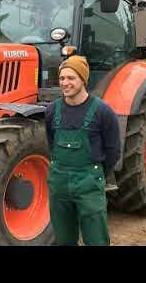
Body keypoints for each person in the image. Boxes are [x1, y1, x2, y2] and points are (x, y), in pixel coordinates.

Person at [45, 55, 120, 246]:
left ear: (83, 80)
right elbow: (51, 141)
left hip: (89, 184)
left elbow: (113, 152)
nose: (65, 83)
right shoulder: (52, 110)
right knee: (63, 239)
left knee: (96, 240)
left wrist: (95, 176)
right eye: (62, 78)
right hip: (59, 184)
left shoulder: (103, 112)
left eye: (71, 78)